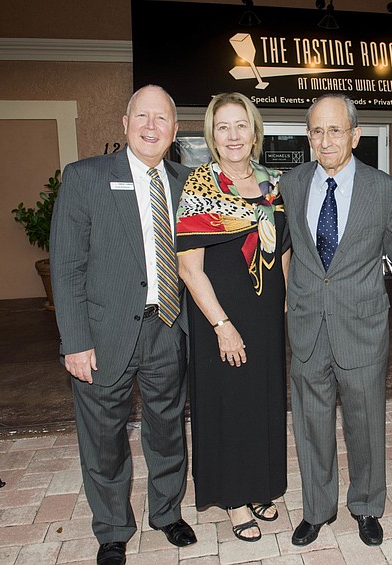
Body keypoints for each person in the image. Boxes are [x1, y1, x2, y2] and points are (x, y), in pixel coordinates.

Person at [50, 84, 196, 565]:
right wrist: (75, 340)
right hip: (104, 335)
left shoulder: (190, 183)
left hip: (168, 327)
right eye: (142, 117)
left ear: (175, 131)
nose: (151, 127)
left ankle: (167, 513)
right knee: (104, 438)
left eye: (161, 120)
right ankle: (112, 529)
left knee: (168, 429)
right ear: (125, 123)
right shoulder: (84, 177)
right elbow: (67, 266)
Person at [280, 93, 392, 547]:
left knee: (365, 425)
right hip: (307, 327)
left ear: (355, 135)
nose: (325, 139)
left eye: (335, 129)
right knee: (310, 424)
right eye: (316, 130)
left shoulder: (384, 188)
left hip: (361, 328)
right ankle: (317, 510)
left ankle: (367, 506)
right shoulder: (291, 184)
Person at [175, 92, 289, 542]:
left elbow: (281, 248)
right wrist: (222, 325)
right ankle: (235, 499)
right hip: (219, 316)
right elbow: (189, 266)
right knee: (229, 405)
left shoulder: (271, 182)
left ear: (254, 129)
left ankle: (261, 484)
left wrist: (280, 304)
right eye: (223, 127)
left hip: (264, 313)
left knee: (262, 400)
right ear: (212, 135)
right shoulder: (201, 185)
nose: (233, 135)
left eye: (241, 124)